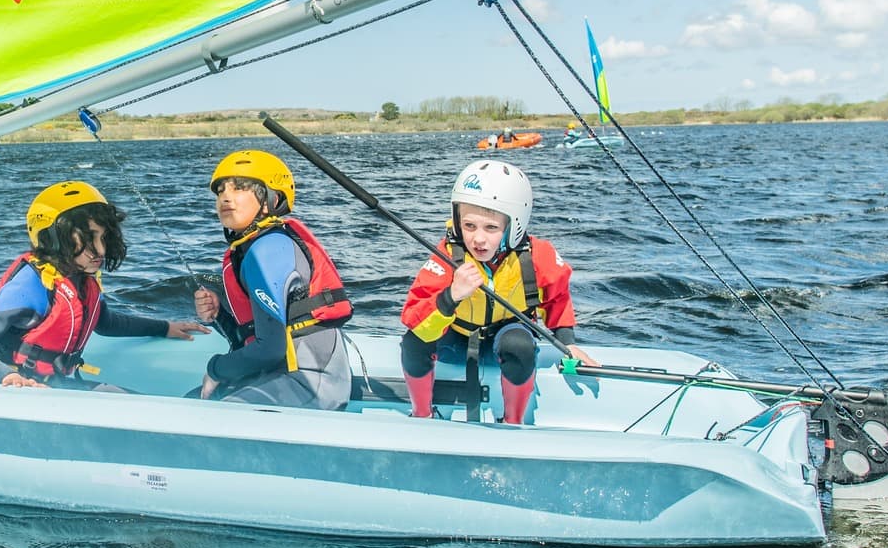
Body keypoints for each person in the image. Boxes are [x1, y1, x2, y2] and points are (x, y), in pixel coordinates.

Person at [0, 180, 207, 389]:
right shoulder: (32, 283)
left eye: (104, 237)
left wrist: (164, 327)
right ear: (52, 238)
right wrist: (9, 377)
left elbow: (106, 322)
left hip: (59, 385)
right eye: (88, 239)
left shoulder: (81, 281)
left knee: (135, 405)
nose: (99, 249)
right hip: (18, 391)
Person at [398, 160, 593, 424]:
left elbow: (557, 299)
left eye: (490, 228)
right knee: (413, 340)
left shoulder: (539, 255)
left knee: (519, 345)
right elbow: (413, 317)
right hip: (455, 341)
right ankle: (422, 414)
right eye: (469, 226)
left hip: (504, 338)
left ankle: (512, 421)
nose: (478, 239)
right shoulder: (446, 256)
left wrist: (568, 342)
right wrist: (450, 296)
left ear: (515, 226)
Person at [191, 149, 353, 409]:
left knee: (200, 416)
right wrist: (220, 313)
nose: (226, 197)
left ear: (270, 200)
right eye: (221, 190)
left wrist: (216, 369)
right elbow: (256, 333)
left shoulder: (267, 250)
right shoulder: (260, 246)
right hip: (283, 374)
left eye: (240, 188)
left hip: (308, 384)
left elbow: (270, 349)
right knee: (189, 403)